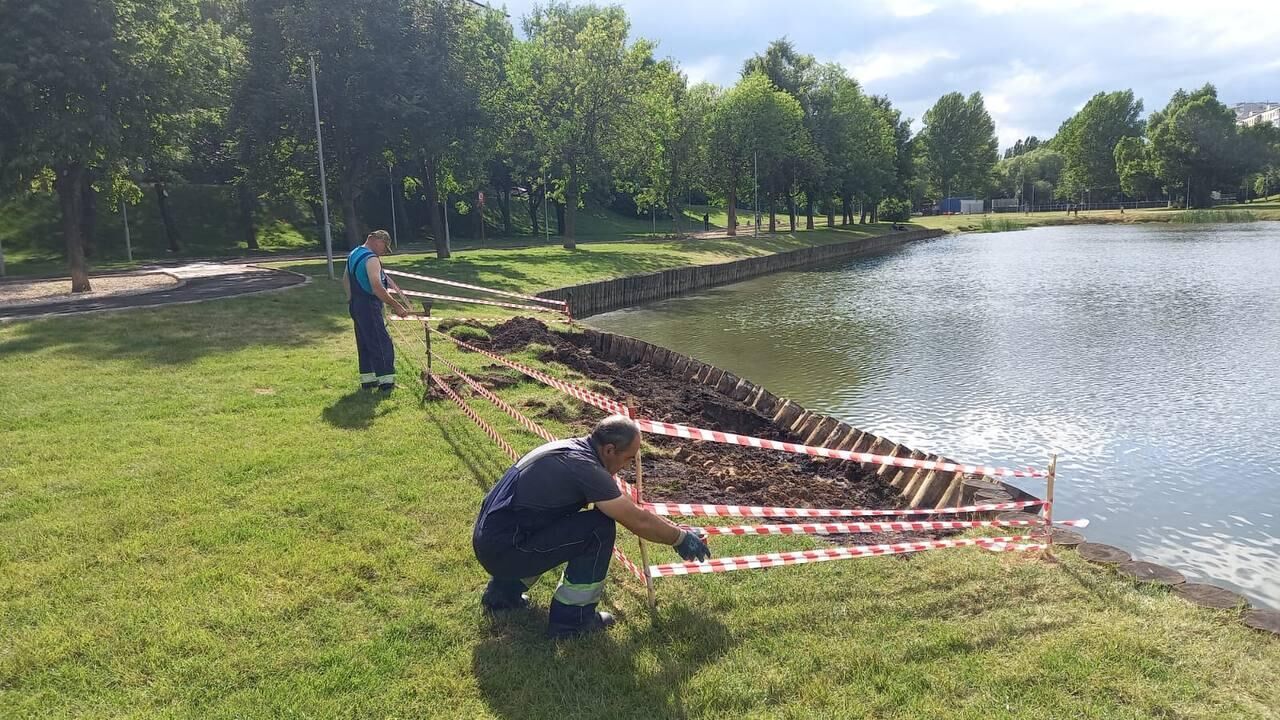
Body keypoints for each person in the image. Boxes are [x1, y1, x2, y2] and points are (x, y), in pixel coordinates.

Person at [472, 415, 712, 639]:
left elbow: (624, 504)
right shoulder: (584, 467)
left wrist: (676, 529)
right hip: (505, 551)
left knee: (566, 522)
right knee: (598, 529)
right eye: (629, 458)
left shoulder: (572, 450)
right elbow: (635, 520)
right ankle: (572, 622)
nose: (628, 465)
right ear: (609, 450)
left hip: (493, 541)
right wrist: (680, 539)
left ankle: (501, 596)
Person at [343, 230, 411, 392]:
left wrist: (351, 300)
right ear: (374, 240)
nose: (384, 251)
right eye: (384, 246)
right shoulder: (371, 259)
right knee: (381, 343)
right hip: (369, 304)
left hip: (356, 304)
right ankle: (386, 382)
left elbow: (345, 279)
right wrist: (396, 305)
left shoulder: (354, 254)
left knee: (365, 342)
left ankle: (368, 380)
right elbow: (377, 286)